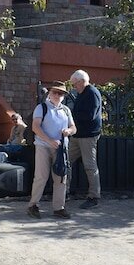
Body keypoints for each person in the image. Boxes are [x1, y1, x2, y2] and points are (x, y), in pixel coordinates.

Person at [27, 81, 76, 219]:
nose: (57, 95)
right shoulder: (41, 108)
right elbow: (35, 127)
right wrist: (49, 140)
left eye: (60, 93)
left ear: (64, 96)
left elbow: (73, 127)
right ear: (49, 93)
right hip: (43, 146)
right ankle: (33, 205)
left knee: (61, 177)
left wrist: (68, 131)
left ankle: (59, 208)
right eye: (55, 92)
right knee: (41, 176)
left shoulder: (66, 110)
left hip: (60, 148)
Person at [68, 70, 103, 209]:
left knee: (90, 165)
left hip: (88, 135)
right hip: (77, 135)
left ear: (81, 81)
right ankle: (63, 191)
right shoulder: (82, 93)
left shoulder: (92, 93)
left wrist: (72, 118)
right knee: (66, 162)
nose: (74, 87)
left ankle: (94, 196)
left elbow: (90, 115)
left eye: (75, 84)